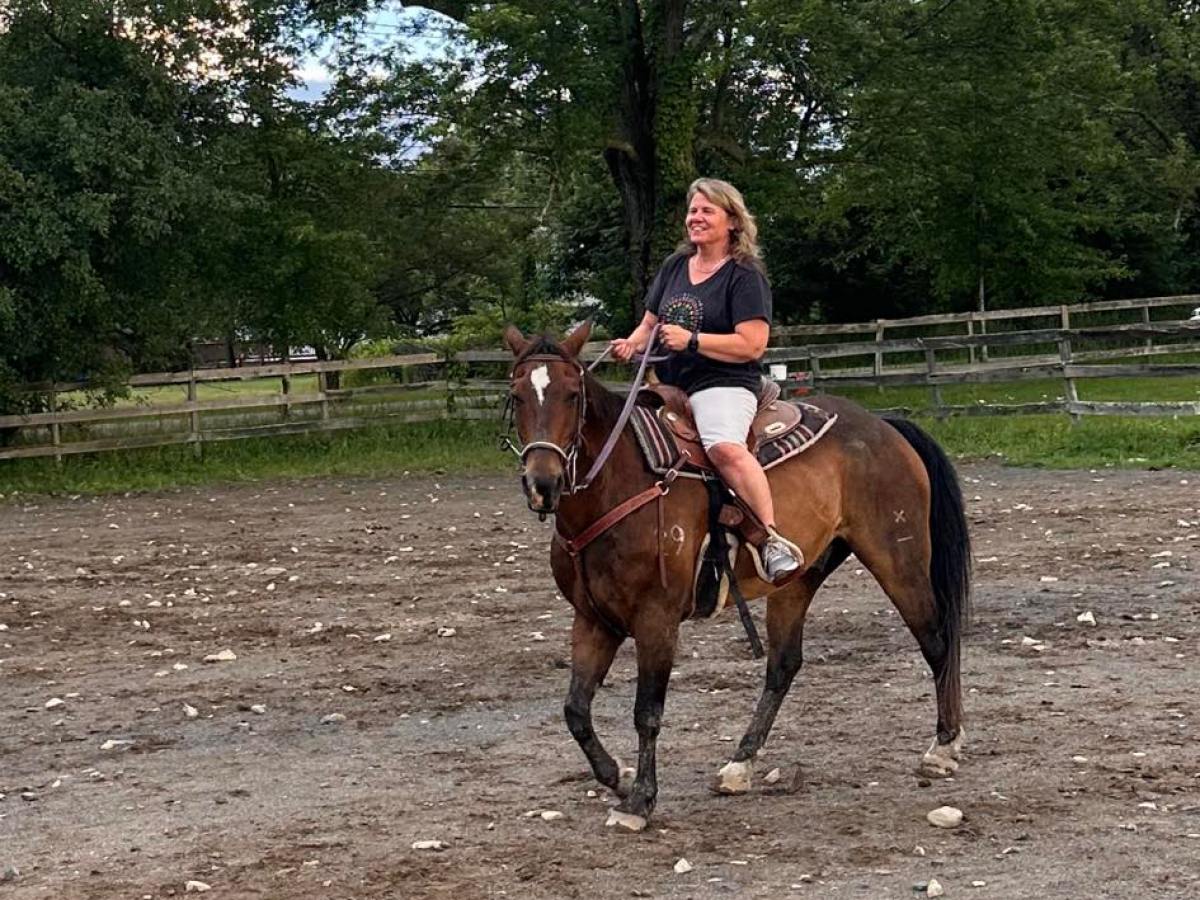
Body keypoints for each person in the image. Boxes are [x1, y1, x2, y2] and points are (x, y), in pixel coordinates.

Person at [611, 177, 801, 582]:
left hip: (723, 383)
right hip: (669, 384)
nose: (695, 218)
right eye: (693, 210)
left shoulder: (744, 275)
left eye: (706, 211)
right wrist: (630, 344)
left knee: (725, 449)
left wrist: (692, 340)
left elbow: (752, 345)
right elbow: (649, 323)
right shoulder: (675, 266)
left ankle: (771, 540)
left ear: (732, 221)